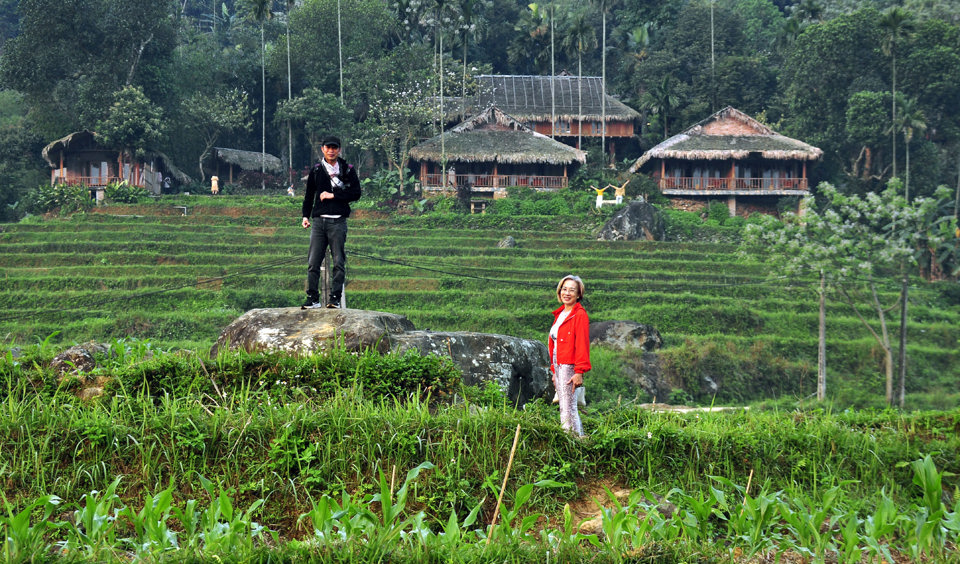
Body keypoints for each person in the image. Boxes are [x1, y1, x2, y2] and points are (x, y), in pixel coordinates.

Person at [301, 136, 362, 309]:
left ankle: (334, 298)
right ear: (322, 149)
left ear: (339, 150)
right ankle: (313, 298)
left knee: (338, 262)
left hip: (338, 222)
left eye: (334, 148)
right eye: (328, 147)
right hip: (319, 222)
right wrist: (305, 216)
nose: (331, 150)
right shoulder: (316, 170)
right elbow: (309, 196)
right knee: (313, 262)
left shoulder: (347, 169)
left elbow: (356, 193)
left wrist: (333, 195)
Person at [547, 274, 591, 437]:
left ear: (579, 294)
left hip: (569, 365)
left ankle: (572, 438)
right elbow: (554, 345)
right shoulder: (560, 315)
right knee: (564, 404)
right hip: (558, 364)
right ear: (559, 292)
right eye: (564, 289)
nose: (567, 293)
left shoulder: (579, 314)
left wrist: (579, 371)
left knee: (568, 405)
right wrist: (554, 371)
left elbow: (582, 344)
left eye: (572, 290)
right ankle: (576, 437)